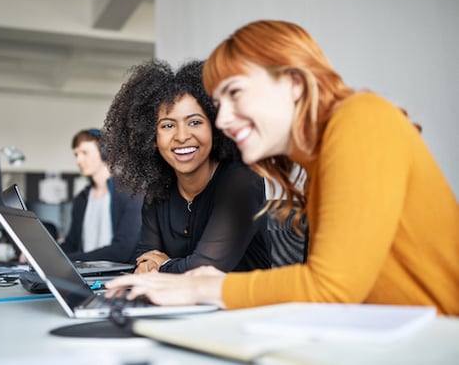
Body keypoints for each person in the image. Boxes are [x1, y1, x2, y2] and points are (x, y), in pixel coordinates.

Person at [105, 20, 459, 315]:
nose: (223, 120)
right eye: (219, 103)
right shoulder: (320, 161)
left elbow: (331, 287)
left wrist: (202, 286)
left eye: (235, 93)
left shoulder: (361, 119)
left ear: (292, 82)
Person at [102, 59, 272, 274]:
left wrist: (163, 265)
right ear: (151, 137)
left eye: (195, 122)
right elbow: (144, 258)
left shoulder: (242, 180)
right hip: (181, 304)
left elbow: (206, 269)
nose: (182, 136)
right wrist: (153, 265)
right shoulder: (158, 190)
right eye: (168, 125)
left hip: (244, 305)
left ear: (215, 127)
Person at [60, 128, 143, 263]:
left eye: (84, 153)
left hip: (117, 276)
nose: (78, 160)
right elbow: (71, 244)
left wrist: (69, 260)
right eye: (76, 154)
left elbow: (122, 251)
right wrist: (44, 257)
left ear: (104, 152)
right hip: (86, 274)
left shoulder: (130, 194)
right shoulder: (82, 198)